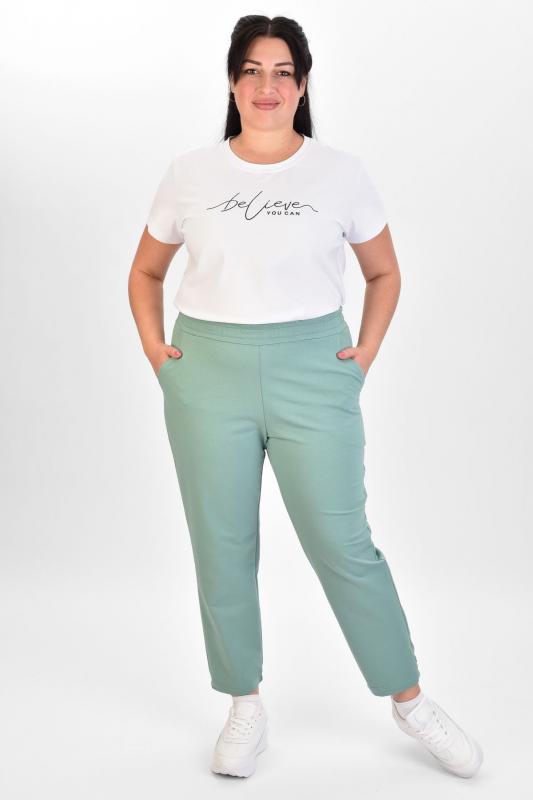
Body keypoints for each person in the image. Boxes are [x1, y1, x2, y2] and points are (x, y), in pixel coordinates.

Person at [128, 15, 483, 781]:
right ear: (232, 82)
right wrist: (161, 355)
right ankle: (243, 703)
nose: (267, 86)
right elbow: (146, 271)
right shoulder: (190, 173)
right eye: (252, 71)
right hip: (206, 371)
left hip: (313, 369)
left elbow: (383, 272)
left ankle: (408, 699)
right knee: (222, 543)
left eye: (282, 72)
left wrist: (362, 356)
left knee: (342, 544)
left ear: (302, 83)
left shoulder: (339, 173)